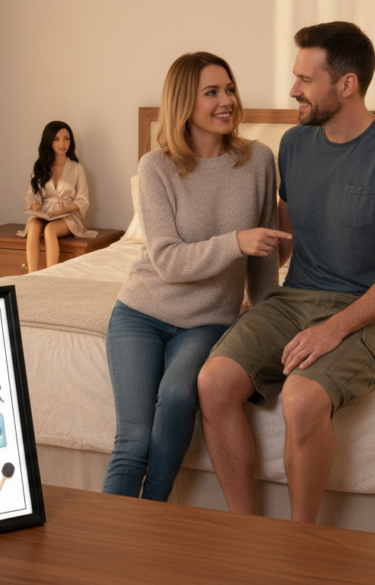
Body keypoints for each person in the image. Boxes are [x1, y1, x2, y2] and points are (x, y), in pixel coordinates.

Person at [197, 22, 375, 523]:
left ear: (346, 85)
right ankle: (243, 529)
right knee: (214, 381)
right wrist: (233, 289)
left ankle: (300, 545)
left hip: (374, 312)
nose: (292, 90)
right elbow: (284, 239)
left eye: (305, 79)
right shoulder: (295, 144)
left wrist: (334, 328)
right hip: (295, 296)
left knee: (303, 399)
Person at [101, 52, 290, 501]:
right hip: (140, 314)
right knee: (133, 440)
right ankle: (105, 548)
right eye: (212, 92)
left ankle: (152, 520)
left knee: (178, 397)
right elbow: (166, 259)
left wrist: (270, 326)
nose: (227, 100)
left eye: (229, 89)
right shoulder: (156, 167)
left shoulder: (259, 161)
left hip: (207, 321)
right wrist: (235, 241)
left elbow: (263, 262)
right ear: (184, 102)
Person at [17, 121, 96, 273]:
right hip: (46, 213)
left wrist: (62, 211)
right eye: (56, 139)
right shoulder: (40, 167)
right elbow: (31, 194)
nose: (62, 143)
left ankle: (50, 275)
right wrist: (34, 204)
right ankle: (31, 275)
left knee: (50, 230)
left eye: (66, 138)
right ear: (49, 141)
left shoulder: (77, 169)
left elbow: (82, 199)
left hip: (69, 215)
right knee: (33, 225)